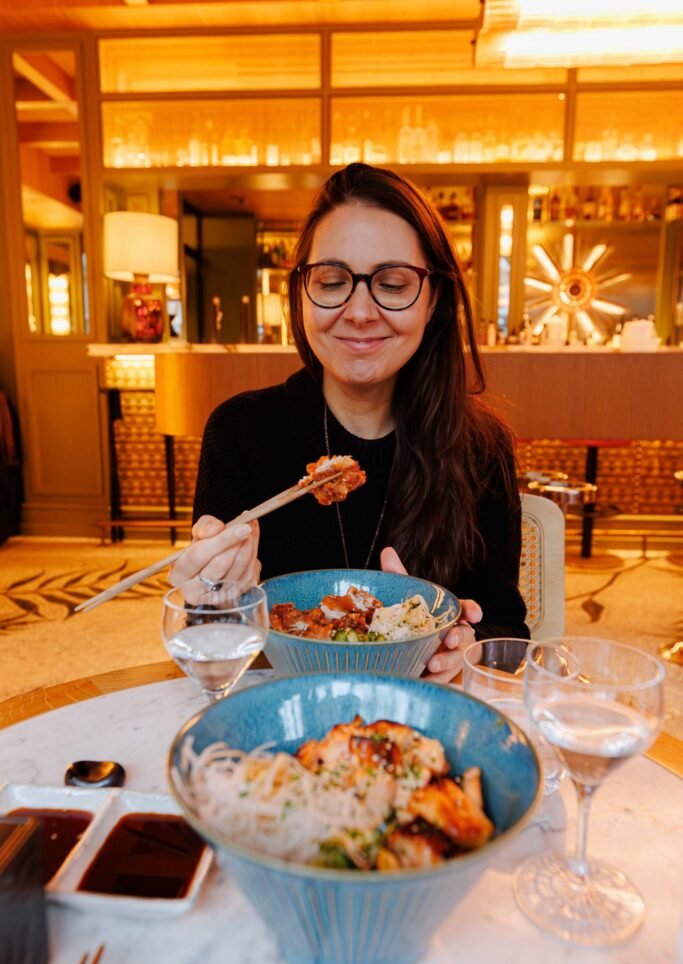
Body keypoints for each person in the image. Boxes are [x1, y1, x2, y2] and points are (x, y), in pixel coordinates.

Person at [170, 162, 528, 681]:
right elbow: (213, 650)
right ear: (300, 293)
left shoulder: (481, 446)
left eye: (393, 283)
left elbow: (508, 633)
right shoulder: (241, 431)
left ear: (434, 301)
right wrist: (214, 600)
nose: (359, 311)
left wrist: (463, 644)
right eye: (333, 281)